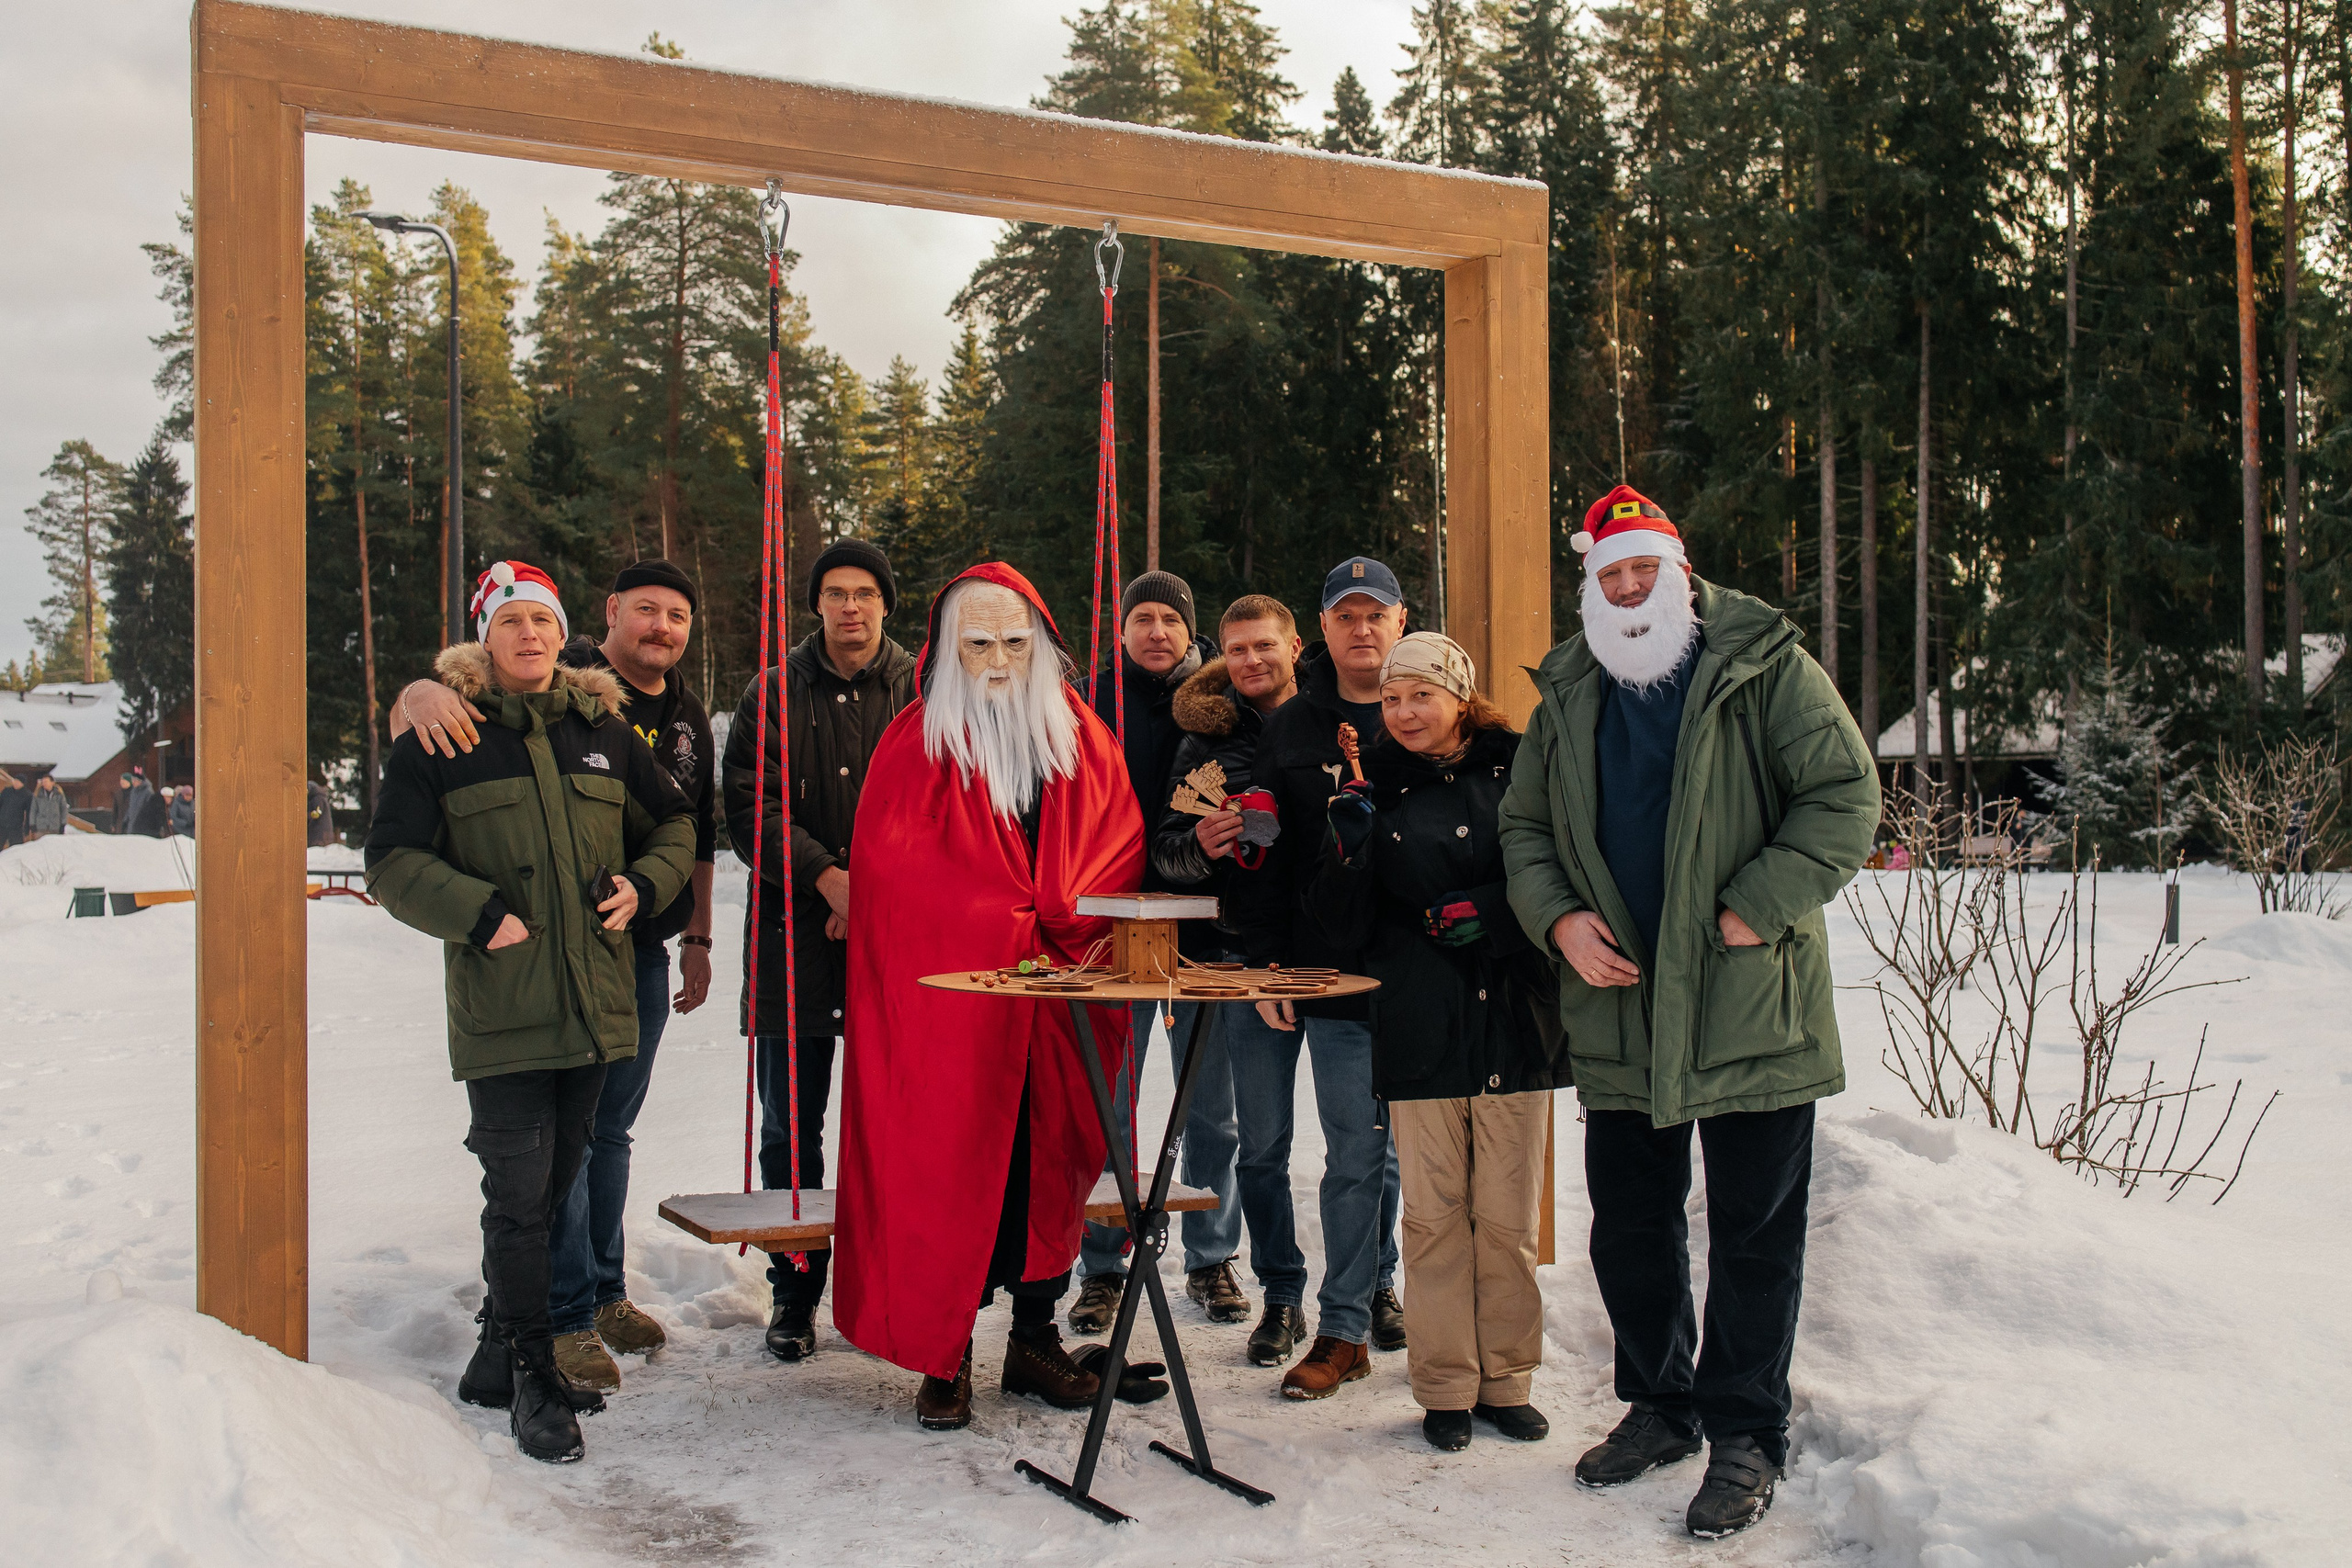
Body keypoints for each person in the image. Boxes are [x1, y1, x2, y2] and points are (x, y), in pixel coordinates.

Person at [1498, 486, 1878, 1540]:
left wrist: (1760, 904)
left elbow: (1844, 796)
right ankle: (1659, 1404)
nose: (1626, 592)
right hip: (1618, 1003)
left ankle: (1747, 1430)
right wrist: (1561, 921)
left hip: (1747, 997)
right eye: (1608, 576)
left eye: (1641, 572)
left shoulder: (1762, 666)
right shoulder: (1570, 688)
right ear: (1590, 587)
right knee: (1629, 1223)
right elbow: (1523, 829)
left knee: (1755, 1231)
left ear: (1677, 573)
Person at [365, 559, 695, 1465]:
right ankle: (532, 1376)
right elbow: (390, 859)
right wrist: (477, 914)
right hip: (505, 1010)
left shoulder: (604, 729)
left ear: (561, 632)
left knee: (553, 1188)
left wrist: (642, 885)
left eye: (541, 621)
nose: (529, 636)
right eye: (510, 621)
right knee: (519, 1199)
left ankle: (489, 1356)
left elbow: (674, 825)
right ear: (485, 635)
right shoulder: (445, 735)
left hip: (592, 1006)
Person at [832, 562, 1144, 1431]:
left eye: (1015, 641)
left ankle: (1035, 1336)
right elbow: (899, 882)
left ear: (1041, 643)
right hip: (951, 1017)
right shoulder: (913, 743)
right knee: (949, 1168)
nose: (999, 660)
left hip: (1058, 1005)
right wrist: (998, 922)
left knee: (1044, 1166)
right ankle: (948, 1352)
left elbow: (1116, 848)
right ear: (946, 652)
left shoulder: (1083, 739)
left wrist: (1058, 924)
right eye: (978, 644)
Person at [1304, 632, 1562, 1452]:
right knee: (1434, 1218)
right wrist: (1345, 846)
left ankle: (1507, 1379)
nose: (1405, 712)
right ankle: (1446, 1384)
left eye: (1421, 694)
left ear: (1460, 694)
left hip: (1511, 1019)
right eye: (1391, 698)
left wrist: (1495, 910)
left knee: (1509, 1216)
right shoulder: (1371, 786)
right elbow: (1338, 925)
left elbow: (1556, 871)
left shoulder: (1519, 768)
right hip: (1419, 1021)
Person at [721, 538, 918, 1362]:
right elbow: (748, 807)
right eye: (835, 592)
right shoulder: (771, 693)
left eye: (865, 592)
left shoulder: (922, 689)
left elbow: (941, 798)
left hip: (898, 939)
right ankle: (795, 1289)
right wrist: (825, 879)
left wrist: (868, 885)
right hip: (791, 940)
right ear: (815, 605)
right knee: (791, 1129)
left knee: (900, 1119)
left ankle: (898, 1282)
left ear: (884, 604)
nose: (850, 607)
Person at [1120, 595, 1327, 1356]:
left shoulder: (1331, 721)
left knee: (1367, 1140)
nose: (1251, 662)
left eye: (1262, 647)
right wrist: (1201, 844)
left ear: (1292, 646)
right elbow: (1169, 852)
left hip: (1332, 953)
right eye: (1237, 651)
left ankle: (1372, 1285)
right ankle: (1262, 1283)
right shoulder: (1204, 741)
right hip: (1234, 954)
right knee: (1250, 1133)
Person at [1228, 556, 1410, 1396]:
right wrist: (1264, 965)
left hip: (1375, 975)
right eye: (1347, 615)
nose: (1363, 629)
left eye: (1377, 614)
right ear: (1324, 629)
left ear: (1401, 623)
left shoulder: (1420, 715)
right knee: (1262, 1146)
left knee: (1357, 1153)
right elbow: (1261, 858)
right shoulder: (1293, 726)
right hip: (1297, 961)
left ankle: (1348, 1321)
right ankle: (1285, 1294)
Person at [1069, 570, 1240, 1333]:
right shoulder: (1087, 701)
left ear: (1189, 629)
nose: (1156, 631)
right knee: (1113, 1102)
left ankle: (1211, 1255)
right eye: (1142, 617)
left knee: (1210, 1107)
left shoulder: (1221, 693)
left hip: (1205, 921)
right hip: (1117, 921)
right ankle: (1103, 1263)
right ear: (1122, 629)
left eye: (1170, 618)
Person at [27, 774, 70, 840]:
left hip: (55, 827)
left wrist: (63, 824)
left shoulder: (59, 794)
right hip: (41, 827)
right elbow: (33, 810)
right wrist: (32, 824)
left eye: (46, 782)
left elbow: (64, 809)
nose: (44, 784)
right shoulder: (37, 794)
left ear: (52, 782)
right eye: (43, 782)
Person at [0, 771, 28, 850]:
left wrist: (26, 827)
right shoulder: (6, 791)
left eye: (18, 782)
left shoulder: (27, 795)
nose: (16, 783)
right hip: (2, 824)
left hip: (16, 827)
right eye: (15, 781)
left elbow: (28, 811)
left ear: (23, 784)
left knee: (15, 848)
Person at [306, 777, 336, 847]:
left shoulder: (317, 798)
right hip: (322, 832)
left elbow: (317, 813)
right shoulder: (320, 797)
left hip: (319, 832)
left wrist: (305, 815)